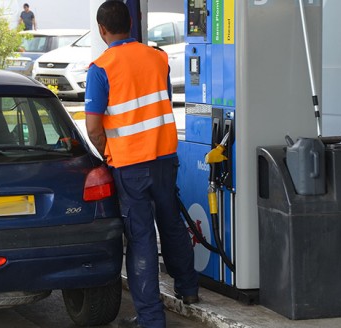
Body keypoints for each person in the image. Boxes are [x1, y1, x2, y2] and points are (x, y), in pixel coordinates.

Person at [84, 1, 199, 328]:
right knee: (171, 222)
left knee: (142, 238)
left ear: (102, 29)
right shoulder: (158, 58)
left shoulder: (101, 68)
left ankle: (150, 319)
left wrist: (108, 152)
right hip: (164, 158)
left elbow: (93, 128)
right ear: (132, 23)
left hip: (129, 166)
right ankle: (188, 288)